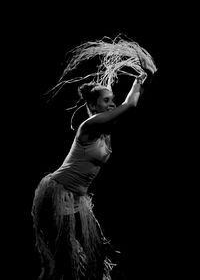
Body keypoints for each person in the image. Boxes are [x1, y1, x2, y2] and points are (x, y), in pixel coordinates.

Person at [32, 35, 157, 280]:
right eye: (107, 101)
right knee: (66, 259)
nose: (113, 105)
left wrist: (144, 79)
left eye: (113, 100)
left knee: (95, 254)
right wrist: (141, 79)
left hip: (77, 196)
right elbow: (130, 105)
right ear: (94, 105)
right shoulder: (90, 125)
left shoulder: (105, 129)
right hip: (59, 193)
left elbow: (129, 103)